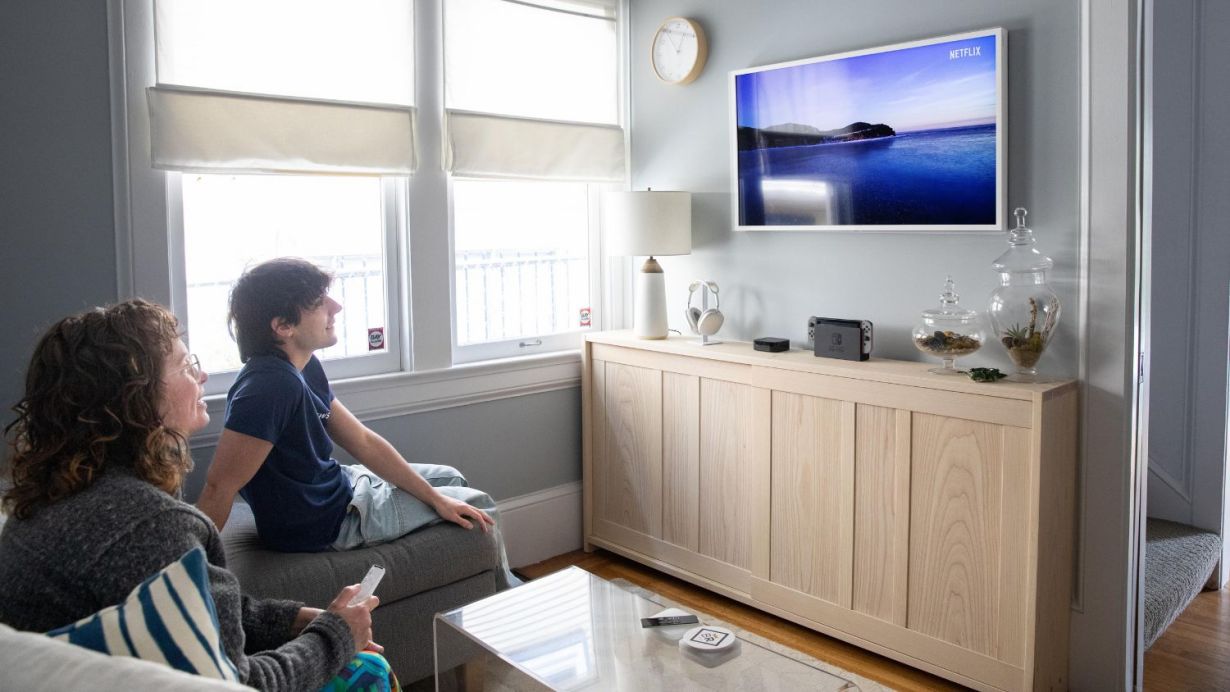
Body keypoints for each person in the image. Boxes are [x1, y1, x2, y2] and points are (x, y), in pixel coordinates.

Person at [0, 300, 391, 691]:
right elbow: (243, 684)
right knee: (367, 668)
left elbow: (187, 607)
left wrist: (297, 618)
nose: (202, 375)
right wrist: (335, 633)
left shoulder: (48, 496)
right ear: (136, 398)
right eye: (187, 366)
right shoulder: (151, 527)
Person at [195, 258, 518, 590]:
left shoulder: (304, 368)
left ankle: (491, 589)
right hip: (326, 522)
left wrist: (438, 499)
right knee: (480, 504)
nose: (336, 307)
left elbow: (362, 440)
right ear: (283, 326)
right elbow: (219, 486)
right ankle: (505, 602)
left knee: (450, 478)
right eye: (319, 302)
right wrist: (189, 573)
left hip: (342, 488)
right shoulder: (269, 387)